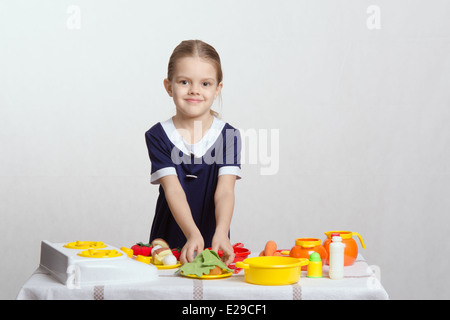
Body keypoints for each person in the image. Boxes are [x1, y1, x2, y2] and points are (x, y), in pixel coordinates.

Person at [145, 40, 241, 265]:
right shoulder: (158, 135)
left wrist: (222, 232)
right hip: (169, 242)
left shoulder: (228, 136)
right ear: (169, 86)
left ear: (218, 89)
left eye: (205, 83)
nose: (194, 90)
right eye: (184, 81)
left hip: (214, 240)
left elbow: (225, 191)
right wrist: (192, 234)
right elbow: (174, 190)